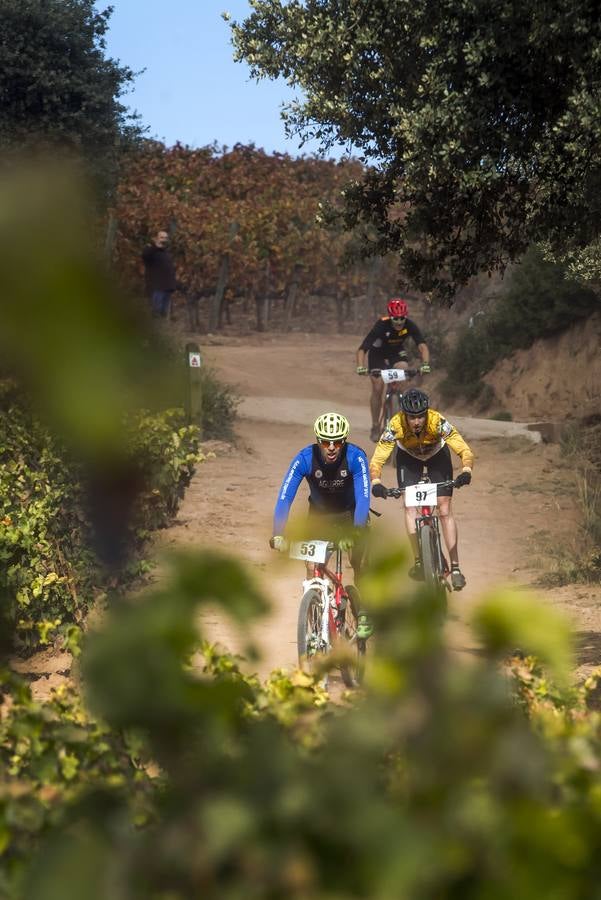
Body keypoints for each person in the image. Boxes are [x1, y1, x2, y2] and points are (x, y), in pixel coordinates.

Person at [270, 412, 372, 637]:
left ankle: (363, 611)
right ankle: (316, 622)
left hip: (351, 514)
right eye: (326, 442)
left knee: (359, 561)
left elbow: (364, 497)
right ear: (318, 440)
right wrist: (278, 534)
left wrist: (356, 531)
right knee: (312, 567)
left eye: (337, 442)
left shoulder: (356, 457)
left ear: (344, 441)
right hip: (320, 518)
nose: (332, 447)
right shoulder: (304, 459)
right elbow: (285, 497)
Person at [369, 388, 473, 590]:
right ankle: (419, 560)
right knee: (409, 505)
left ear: (426, 414)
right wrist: (376, 482)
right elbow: (379, 456)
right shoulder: (395, 424)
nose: (416, 422)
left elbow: (461, 447)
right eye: (411, 417)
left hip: (437, 456)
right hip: (409, 458)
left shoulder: (437, 421)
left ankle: (456, 567)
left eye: (420, 417)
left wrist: (466, 470)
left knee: (444, 509)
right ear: (404, 416)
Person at [356, 298, 431, 442]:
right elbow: (362, 348)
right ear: (390, 317)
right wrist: (360, 366)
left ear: (406, 316)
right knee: (377, 387)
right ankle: (376, 425)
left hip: (396, 353)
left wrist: (425, 364)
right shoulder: (381, 325)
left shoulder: (409, 325)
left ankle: (403, 414)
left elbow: (422, 345)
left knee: (404, 370)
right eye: (395, 319)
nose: (399, 322)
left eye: (402, 318)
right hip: (377, 354)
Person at [142, 230, 177, 319]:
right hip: (157, 287)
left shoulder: (166, 253)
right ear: (156, 239)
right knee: (155, 312)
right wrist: (155, 246)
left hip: (167, 287)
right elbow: (145, 256)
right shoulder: (150, 251)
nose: (164, 240)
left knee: (163, 313)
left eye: (166, 238)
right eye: (161, 237)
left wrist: (173, 285)